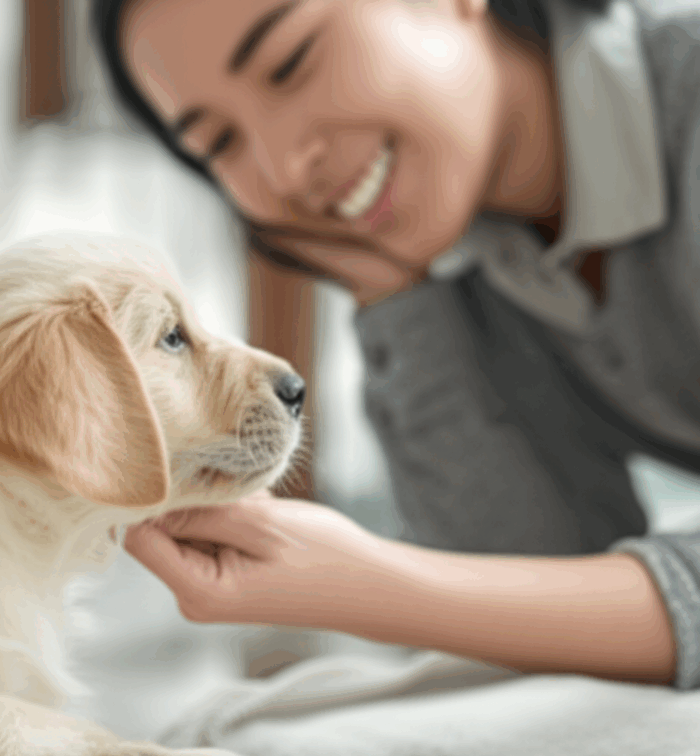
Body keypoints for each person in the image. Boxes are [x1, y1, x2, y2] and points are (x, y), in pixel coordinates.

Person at [90, 0, 700, 688]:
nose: (286, 169)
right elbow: (543, 600)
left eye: (292, 63)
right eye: (220, 144)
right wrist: (393, 289)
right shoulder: (470, 243)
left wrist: (374, 588)